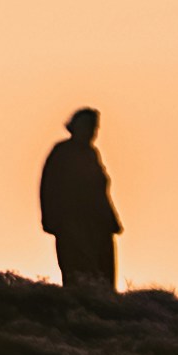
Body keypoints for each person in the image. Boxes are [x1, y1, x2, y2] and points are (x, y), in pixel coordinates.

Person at [39, 106, 121, 296]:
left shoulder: (91, 154)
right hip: (72, 224)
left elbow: (100, 190)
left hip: (98, 226)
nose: (91, 132)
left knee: (102, 278)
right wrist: (51, 219)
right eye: (87, 126)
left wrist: (111, 219)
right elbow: (49, 187)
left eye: (94, 127)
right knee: (78, 274)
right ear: (75, 127)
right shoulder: (62, 152)